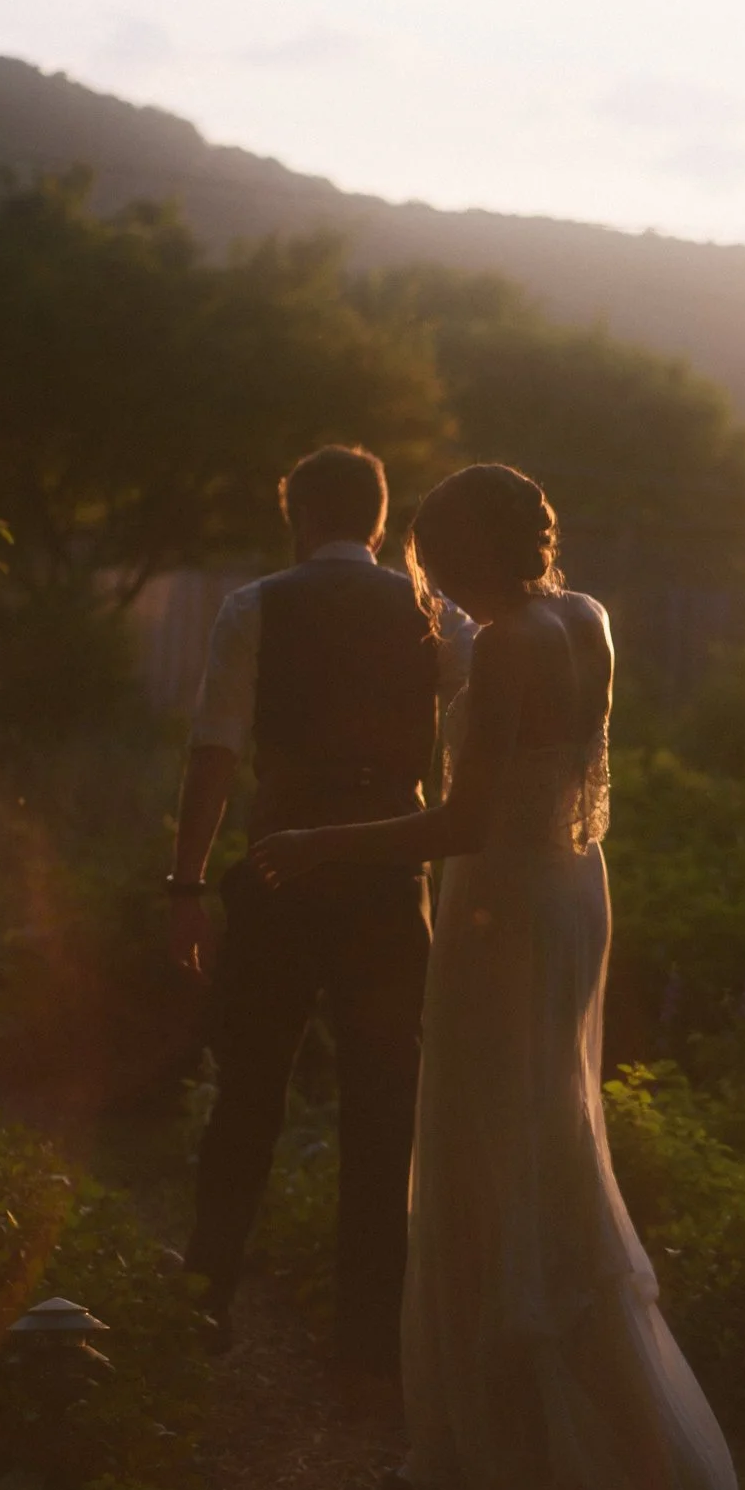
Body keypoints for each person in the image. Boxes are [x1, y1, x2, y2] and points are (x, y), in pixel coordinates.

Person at [249, 464, 743, 1490]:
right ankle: (587, 1419)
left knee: (485, 1151)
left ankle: (505, 1441)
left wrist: (320, 843)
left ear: (465, 549)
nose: (434, 583)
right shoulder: (589, 615)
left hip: (504, 908)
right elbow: (570, 780)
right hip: (571, 893)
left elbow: (464, 821)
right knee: (550, 1140)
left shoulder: (515, 640)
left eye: (435, 558)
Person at [168, 444, 468, 1417]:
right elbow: (475, 757)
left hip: (276, 876)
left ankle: (199, 1308)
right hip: (386, 886)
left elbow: (213, 751)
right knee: (381, 1115)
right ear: (379, 523)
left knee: (247, 1094)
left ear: (297, 515)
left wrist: (184, 883)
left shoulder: (254, 605)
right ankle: (367, 1353)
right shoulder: (438, 616)